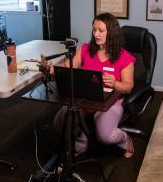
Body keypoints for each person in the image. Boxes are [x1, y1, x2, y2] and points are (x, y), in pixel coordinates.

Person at [51, 12, 135, 158]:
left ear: (112, 33)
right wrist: (55, 69)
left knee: (105, 136)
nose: (96, 34)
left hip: (109, 102)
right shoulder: (85, 49)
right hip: (84, 98)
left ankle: (125, 139)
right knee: (60, 121)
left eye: (101, 30)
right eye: (94, 30)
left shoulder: (124, 57)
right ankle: (82, 142)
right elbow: (67, 66)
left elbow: (128, 86)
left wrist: (115, 83)